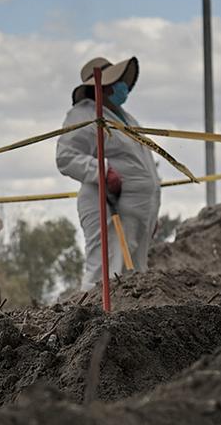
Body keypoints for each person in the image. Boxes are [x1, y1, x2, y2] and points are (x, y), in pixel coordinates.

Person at [56, 55, 158, 289]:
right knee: (105, 268)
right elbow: (65, 157)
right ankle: (93, 320)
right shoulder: (84, 114)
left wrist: (152, 208)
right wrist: (102, 171)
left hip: (137, 209)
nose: (122, 88)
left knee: (134, 270)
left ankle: (126, 320)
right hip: (106, 201)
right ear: (103, 86)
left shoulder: (127, 118)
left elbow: (142, 164)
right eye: (116, 82)